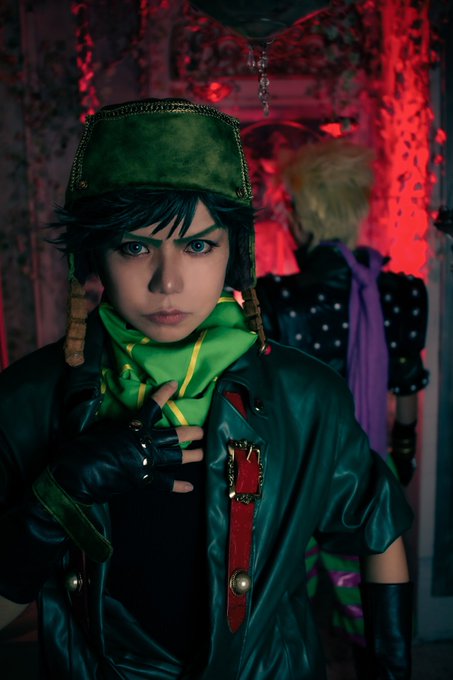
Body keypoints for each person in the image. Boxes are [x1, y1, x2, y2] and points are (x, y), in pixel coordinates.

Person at [0, 99, 414, 679]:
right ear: (94, 255)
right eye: (134, 246)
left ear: (233, 254)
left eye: (198, 245)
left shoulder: (305, 394)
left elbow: (378, 523)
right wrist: (57, 497)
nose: (168, 282)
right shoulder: (26, 401)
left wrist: (392, 669)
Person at [256, 138, 429, 674]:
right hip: (368, 471)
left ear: (299, 218)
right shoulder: (404, 292)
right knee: (374, 612)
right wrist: (402, 458)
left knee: (287, 607)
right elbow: (406, 389)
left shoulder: (275, 297)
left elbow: (265, 401)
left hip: (295, 473)